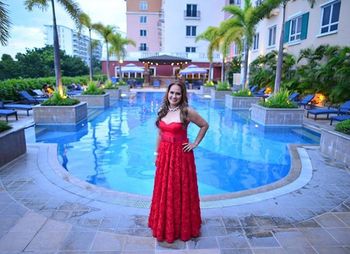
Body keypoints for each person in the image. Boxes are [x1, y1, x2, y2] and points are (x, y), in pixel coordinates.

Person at [148, 81, 209, 243]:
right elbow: (160, 134)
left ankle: (182, 227)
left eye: (178, 93)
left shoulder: (186, 111)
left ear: (182, 96)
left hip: (181, 157)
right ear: (167, 94)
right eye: (172, 93)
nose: (174, 96)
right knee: (164, 190)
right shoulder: (163, 110)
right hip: (165, 156)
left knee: (179, 191)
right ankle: (165, 225)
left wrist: (194, 143)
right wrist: (156, 153)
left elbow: (204, 125)